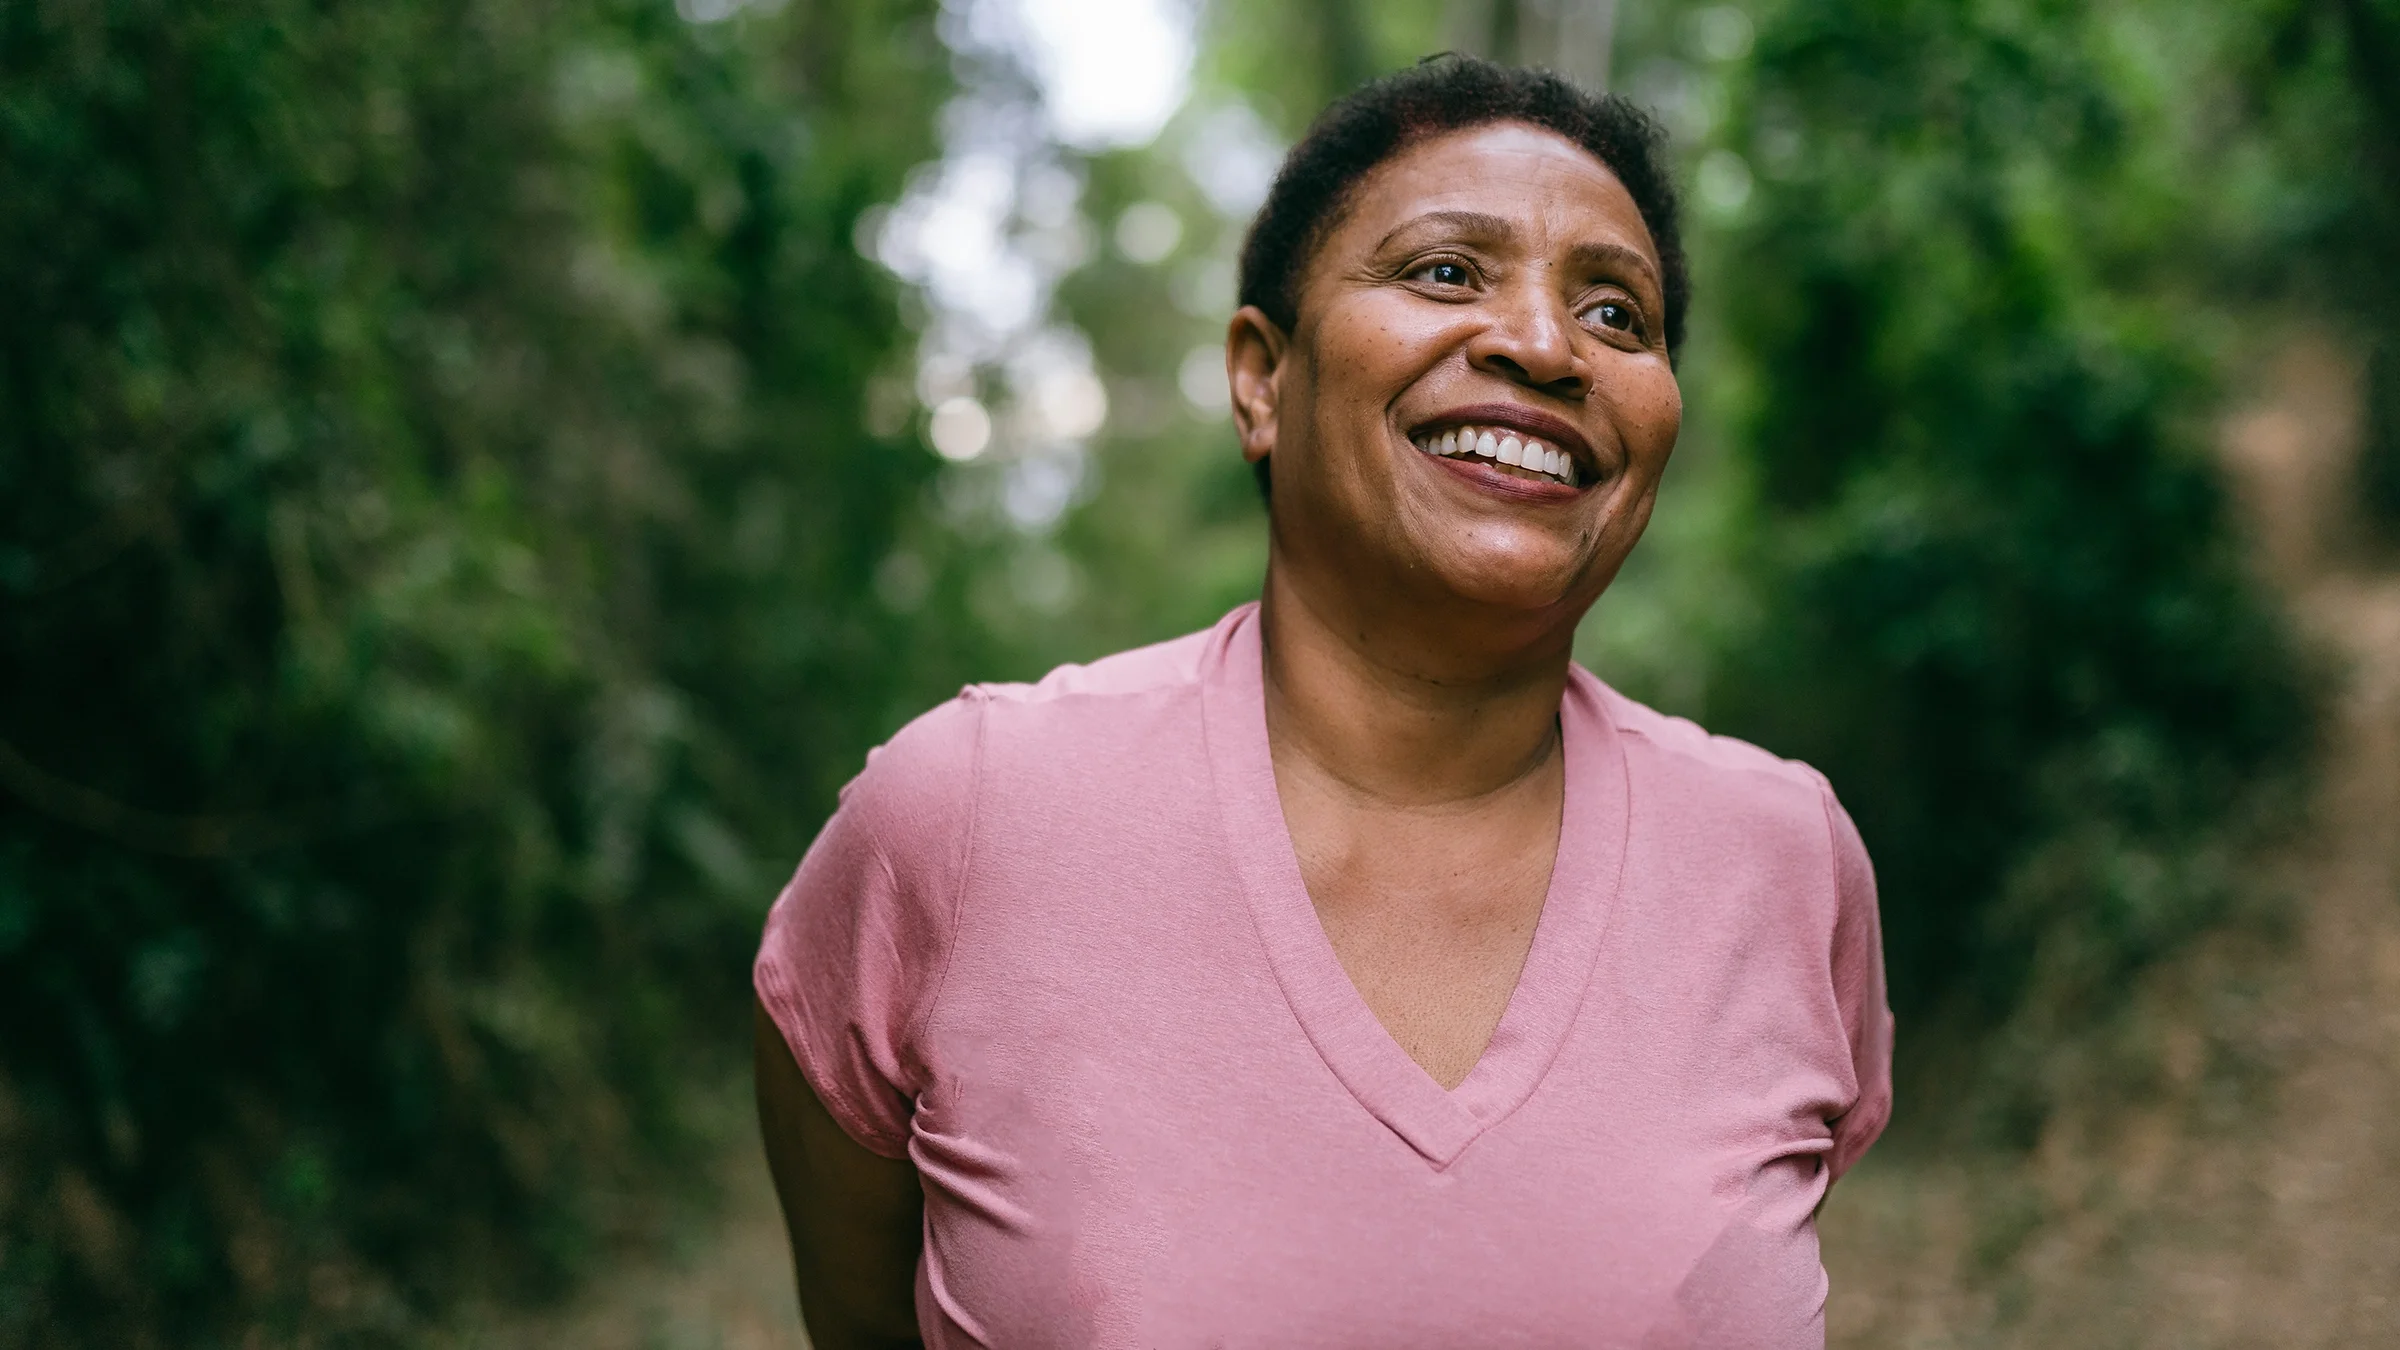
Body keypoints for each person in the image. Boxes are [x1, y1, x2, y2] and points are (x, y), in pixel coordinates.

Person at [753, 54, 1892, 1349]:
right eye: (1446, 272)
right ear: (1261, 379)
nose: (1543, 344)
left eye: (1618, 315)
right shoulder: (959, 816)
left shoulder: (1785, 859)